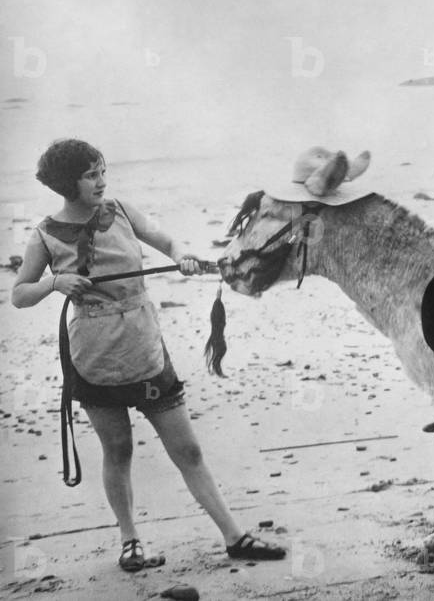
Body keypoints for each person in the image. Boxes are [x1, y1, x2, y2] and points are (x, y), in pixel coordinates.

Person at [12, 139, 287, 571]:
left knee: (188, 450)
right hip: (93, 353)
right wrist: (54, 284)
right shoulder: (45, 234)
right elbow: (19, 295)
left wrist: (182, 257)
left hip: (143, 343)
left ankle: (234, 536)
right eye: (90, 175)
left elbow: (165, 240)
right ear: (68, 183)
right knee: (118, 449)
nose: (102, 181)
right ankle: (130, 542)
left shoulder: (120, 209)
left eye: (102, 171)